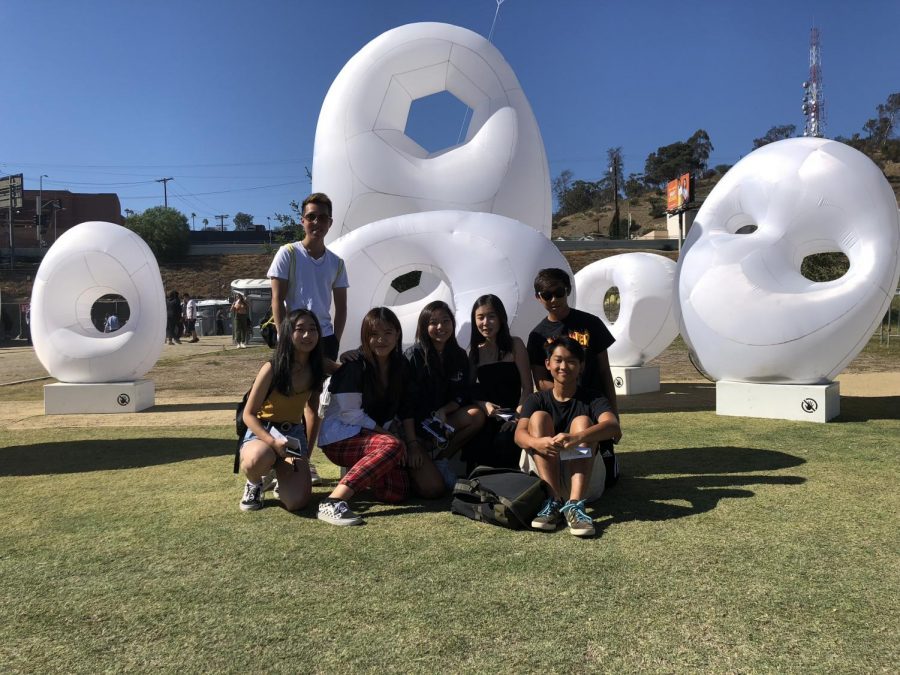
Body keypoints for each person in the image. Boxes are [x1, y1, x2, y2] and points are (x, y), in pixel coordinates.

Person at [317, 307, 443, 526]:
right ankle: (333, 502)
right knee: (392, 446)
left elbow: (406, 408)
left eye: (387, 333)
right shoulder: (354, 365)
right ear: (365, 337)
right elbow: (351, 415)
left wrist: (411, 444)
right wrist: (391, 438)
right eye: (373, 334)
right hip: (341, 436)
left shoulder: (401, 365)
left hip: (375, 438)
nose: (381, 340)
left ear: (397, 334)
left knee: (397, 492)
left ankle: (362, 472)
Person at [514, 336, 621, 537]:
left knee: (583, 422)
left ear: (581, 366)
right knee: (538, 418)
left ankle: (576, 505)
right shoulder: (536, 399)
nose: (564, 366)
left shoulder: (593, 398)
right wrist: (539, 442)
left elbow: (613, 426)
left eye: (572, 361)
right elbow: (519, 435)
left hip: (582, 477)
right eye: (558, 360)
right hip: (544, 475)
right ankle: (552, 502)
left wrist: (577, 438)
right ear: (548, 364)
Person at [526, 267, 620, 484]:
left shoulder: (591, 323)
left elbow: (605, 370)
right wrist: (568, 399)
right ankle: (555, 492)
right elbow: (540, 380)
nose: (553, 299)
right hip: (561, 408)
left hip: (594, 405)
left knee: (609, 479)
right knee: (561, 454)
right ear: (538, 298)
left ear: (567, 290)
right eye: (546, 295)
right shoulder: (537, 335)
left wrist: (614, 412)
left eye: (559, 292)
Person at [237, 309, 326, 512]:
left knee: (296, 502)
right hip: (264, 433)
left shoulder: (317, 367)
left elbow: (313, 412)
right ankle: (255, 483)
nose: (307, 335)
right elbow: (248, 414)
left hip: (293, 435)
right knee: (256, 460)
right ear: (288, 333)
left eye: (312, 329)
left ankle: (279, 475)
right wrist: (272, 442)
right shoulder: (272, 367)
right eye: (300, 329)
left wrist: (306, 455)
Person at [405, 301, 485, 488]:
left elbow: (462, 393)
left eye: (446, 321)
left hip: (442, 422)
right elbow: (406, 402)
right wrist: (413, 441)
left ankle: (442, 460)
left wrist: (444, 411)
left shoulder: (458, 355)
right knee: (434, 489)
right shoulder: (413, 356)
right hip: (415, 429)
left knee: (476, 415)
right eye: (433, 322)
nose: (440, 327)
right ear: (424, 327)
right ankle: (422, 459)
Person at [268, 193, 348, 362]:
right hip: (294, 337)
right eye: (311, 217)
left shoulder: (337, 263)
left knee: (322, 388)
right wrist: (284, 337)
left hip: (324, 338)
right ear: (302, 220)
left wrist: (335, 340)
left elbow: (341, 307)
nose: (317, 222)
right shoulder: (288, 253)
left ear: (330, 223)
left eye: (323, 218)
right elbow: (277, 299)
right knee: (291, 387)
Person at [464, 294, 532, 473]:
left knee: (505, 441)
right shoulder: (474, 352)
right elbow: (469, 389)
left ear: (501, 318)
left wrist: (517, 417)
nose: (486, 322)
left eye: (491, 316)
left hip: (514, 414)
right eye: (480, 317)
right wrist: (483, 404)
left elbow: (527, 387)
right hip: (489, 416)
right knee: (478, 448)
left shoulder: (515, 344)